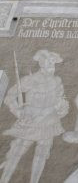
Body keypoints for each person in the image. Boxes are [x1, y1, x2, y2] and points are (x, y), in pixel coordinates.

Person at [0, 50, 69, 183]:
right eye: (50, 63)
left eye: (53, 64)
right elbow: (9, 96)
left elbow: (60, 98)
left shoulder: (57, 80)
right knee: (16, 152)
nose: (52, 66)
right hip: (31, 120)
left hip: (49, 120)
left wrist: (62, 107)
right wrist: (19, 113)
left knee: (42, 154)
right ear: (42, 64)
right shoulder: (30, 80)